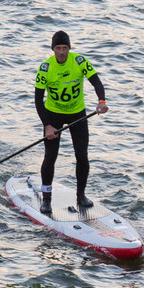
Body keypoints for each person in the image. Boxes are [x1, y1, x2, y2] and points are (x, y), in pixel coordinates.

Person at [35, 31, 109, 216]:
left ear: (69, 48)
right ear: (53, 49)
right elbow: (38, 100)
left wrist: (101, 101)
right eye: (58, 48)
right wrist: (47, 126)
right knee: (50, 157)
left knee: (82, 156)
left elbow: (97, 83)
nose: (62, 52)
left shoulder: (79, 61)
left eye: (65, 48)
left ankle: (81, 196)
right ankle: (47, 200)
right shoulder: (45, 68)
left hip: (77, 114)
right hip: (53, 115)